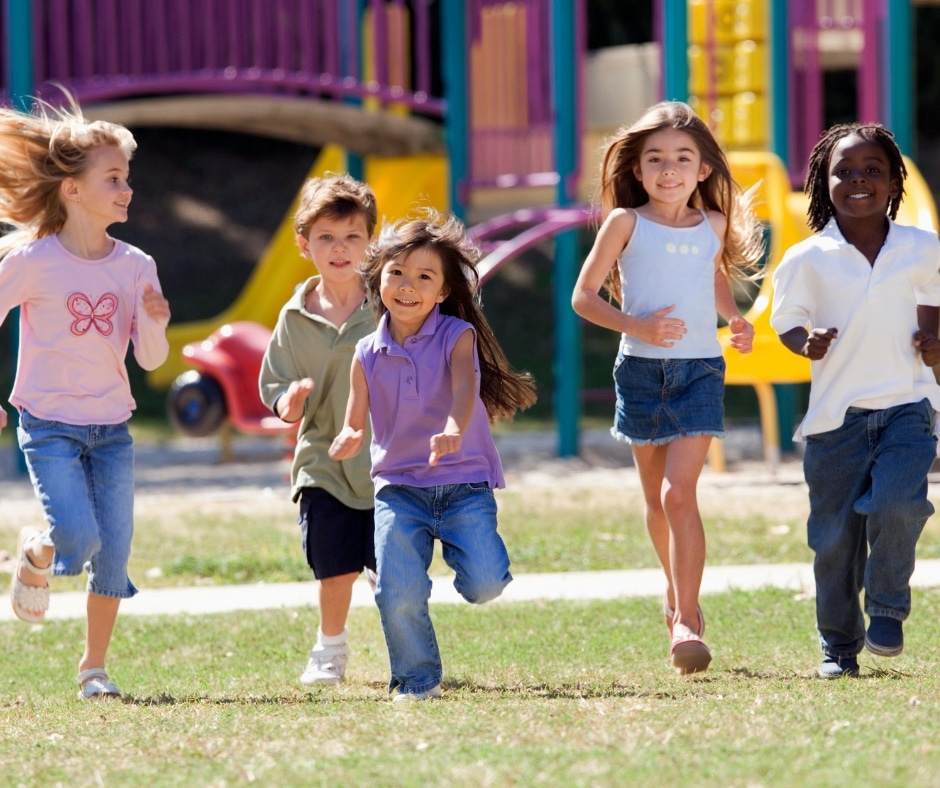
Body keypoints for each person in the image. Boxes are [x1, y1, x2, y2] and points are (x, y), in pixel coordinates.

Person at [571, 101, 765, 675]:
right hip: (640, 373)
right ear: (637, 169)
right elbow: (583, 298)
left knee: (680, 495)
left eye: (683, 158)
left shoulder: (714, 225)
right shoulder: (624, 224)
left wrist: (734, 319)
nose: (668, 169)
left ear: (703, 169)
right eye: (654, 159)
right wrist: (640, 326)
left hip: (701, 370)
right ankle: (674, 591)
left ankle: (686, 616)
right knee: (655, 500)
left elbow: (712, 278)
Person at [0, 98, 171, 699]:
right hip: (48, 426)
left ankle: (93, 668)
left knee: (113, 553)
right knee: (77, 536)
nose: (127, 189)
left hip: (112, 431)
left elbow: (150, 361)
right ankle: (36, 548)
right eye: (114, 178)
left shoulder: (136, 266)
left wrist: (155, 321)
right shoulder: (31, 261)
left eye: (127, 177)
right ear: (72, 190)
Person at [329, 210, 536, 701]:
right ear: (378, 276)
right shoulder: (365, 351)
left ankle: (473, 570)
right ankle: (417, 679)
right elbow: (355, 415)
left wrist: (452, 427)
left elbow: (466, 386)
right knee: (397, 592)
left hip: (463, 481)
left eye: (424, 276)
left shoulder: (455, 335)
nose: (407, 285)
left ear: (443, 291)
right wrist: (349, 436)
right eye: (396, 273)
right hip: (399, 486)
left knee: (484, 584)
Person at [770, 123, 940, 678]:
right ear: (824, 180)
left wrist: (933, 342)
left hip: (907, 405)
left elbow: (933, 302)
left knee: (899, 504)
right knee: (835, 542)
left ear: (894, 184)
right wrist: (806, 343)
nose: (858, 179)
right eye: (844, 170)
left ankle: (887, 607)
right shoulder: (808, 257)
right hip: (834, 420)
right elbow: (787, 322)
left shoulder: (921, 246)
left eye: (873, 170)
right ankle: (838, 648)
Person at [259, 174, 379, 687]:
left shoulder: (391, 302)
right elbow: (277, 391)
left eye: (353, 236)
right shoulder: (293, 317)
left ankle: (408, 645)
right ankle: (330, 649)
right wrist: (291, 399)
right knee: (333, 565)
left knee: (396, 570)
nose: (340, 248)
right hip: (322, 460)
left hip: (387, 458)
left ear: (371, 242)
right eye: (327, 237)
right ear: (304, 244)